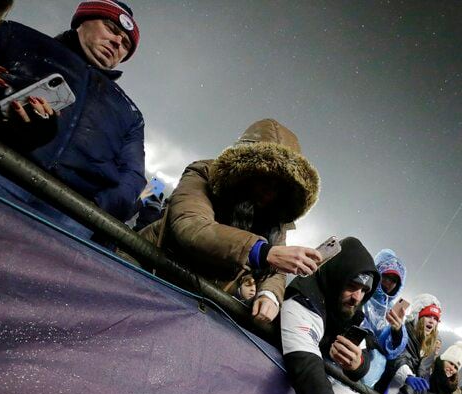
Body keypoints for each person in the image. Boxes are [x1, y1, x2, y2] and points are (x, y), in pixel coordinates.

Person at [0, 1, 147, 236]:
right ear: (83, 20)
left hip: (68, 212)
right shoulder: (15, 36)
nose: (117, 43)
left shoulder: (129, 111)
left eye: (125, 44)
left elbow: (132, 176)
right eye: (111, 28)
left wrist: (94, 209)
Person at [134, 119, 323, 323]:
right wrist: (262, 251)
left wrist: (269, 295)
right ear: (245, 171)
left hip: (195, 303)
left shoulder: (274, 216)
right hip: (141, 272)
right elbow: (192, 226)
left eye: (278, 187)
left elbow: (276, 269)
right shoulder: (202, 174)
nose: (269, 193)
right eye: (264, 179)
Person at [280, 236, 390, 394]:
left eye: (364, 291)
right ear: (337, 276)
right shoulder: (303, 299)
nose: (357, 297)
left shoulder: (352, 312)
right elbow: (306, 368)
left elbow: (363, 366)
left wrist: (357, 365)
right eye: (352, 286)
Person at [360, 249, 408, 388]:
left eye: (394, 280)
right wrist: (366, 333)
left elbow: (393, 350)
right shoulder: (362, 292)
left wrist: (397, 331)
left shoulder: (393, 311)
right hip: (350, 360)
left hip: (371, 377)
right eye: (386, 276)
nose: (388, 283)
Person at [379, 293, 442, 394]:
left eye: (435, 318)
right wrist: (407, 376)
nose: (432, 321)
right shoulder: (404, 332)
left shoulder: (428, 348)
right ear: (418, 317)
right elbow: (399, 356)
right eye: (428, 316)